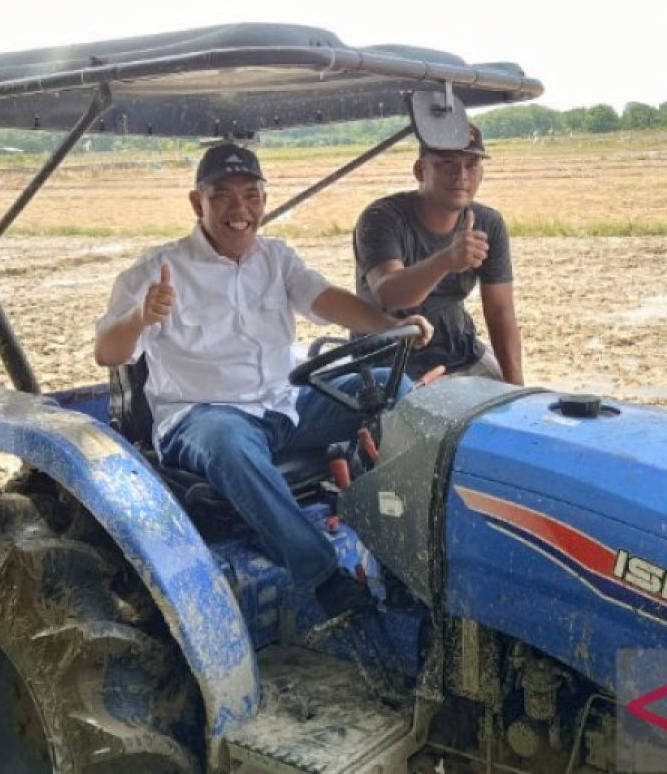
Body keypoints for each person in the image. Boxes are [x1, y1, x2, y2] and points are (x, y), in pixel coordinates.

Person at [95, 143, 432, 617]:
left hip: (283, 405)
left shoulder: (276, 258)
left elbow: (326, 300)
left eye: (252, 195)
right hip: (203, 415)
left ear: (264, 201)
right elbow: (107, 351)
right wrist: (138, 316)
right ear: (198, 203)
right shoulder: (158, 270)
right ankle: (322, 576)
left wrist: (390, 327)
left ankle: (413, 540)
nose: (241, 209)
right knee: (230, 442)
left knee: (391, 386)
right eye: (223, 196)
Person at [353, 124, 523, 385]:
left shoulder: (488, 223)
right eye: (447, 164)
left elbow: (500, 311)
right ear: (420, 170)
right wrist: (446, 260)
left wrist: (515, 389)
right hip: (389, 360)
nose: (461, 175)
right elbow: (390, 294)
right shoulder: (382, 218)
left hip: (460, 352)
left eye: (471, 164)